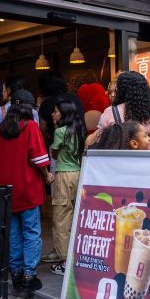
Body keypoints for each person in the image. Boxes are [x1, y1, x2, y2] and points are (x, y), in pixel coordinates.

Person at [0, 90, 52, 292]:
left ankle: (15, 273)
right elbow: (39, 160)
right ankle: (29, 275)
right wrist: (47, 176)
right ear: (29, 107)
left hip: (8, 191)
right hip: (27, 189)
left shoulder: (0, 129)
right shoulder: (30, 127)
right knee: (31, 232)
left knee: (14, 232)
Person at [48, 100, 88, 276]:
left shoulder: (59, 131)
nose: (53, 114)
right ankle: (76, 255)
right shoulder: (79, 130)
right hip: (78, 173)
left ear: (63, 115)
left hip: (63, 175)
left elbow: (55, 153)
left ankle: (64, 260)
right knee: (76, 216)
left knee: (61, 217)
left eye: (55, 112)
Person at [87, 71, 150, 149]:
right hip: (143, 160)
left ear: (121, 90)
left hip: (116, 159)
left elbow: (100, 141)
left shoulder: (111, 112)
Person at [0, 74, 40, 147]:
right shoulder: (34, 111)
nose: (2, 92)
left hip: (7, 155)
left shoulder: (0, 111)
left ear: (9, 90)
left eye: (3, 88)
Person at [38, 71, 85, 148]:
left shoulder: (46, 104)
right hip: (79, 145)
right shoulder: (77, 99)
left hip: (58, 148)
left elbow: (42, 132)